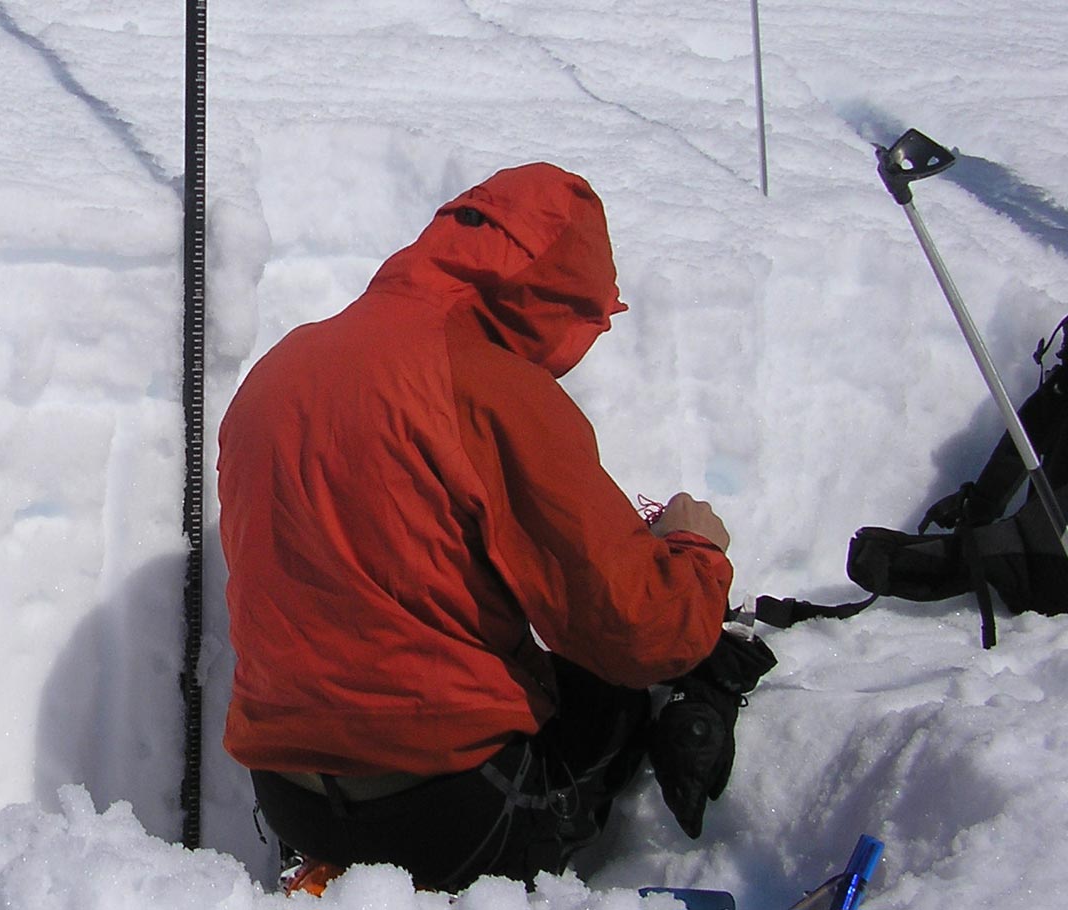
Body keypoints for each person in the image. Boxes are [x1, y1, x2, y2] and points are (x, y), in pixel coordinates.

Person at [216, 162, 773, 893]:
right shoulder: (490, 385)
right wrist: (694, 550)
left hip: (287, 796)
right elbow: (641, 629)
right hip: (450, 813)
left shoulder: (281, 367)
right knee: (609, 688)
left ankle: (326, 869)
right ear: (558, 296)